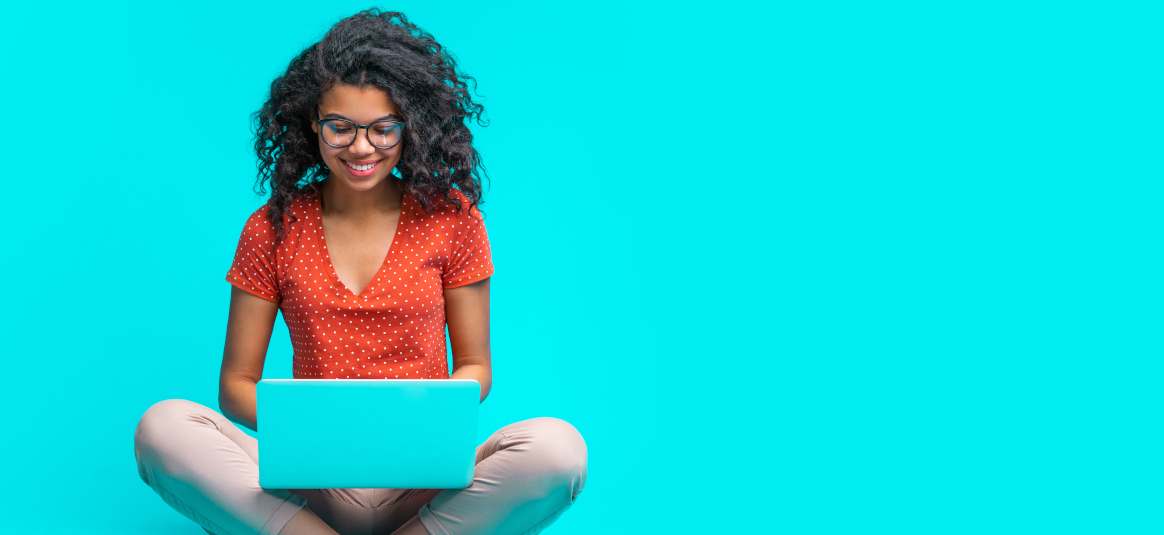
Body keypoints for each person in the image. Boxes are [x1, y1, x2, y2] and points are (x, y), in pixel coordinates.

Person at [132, 9, 587, 535]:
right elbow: (236, 385)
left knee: (558, 451)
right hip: (312, 484)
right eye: (341, 127)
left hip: (425, 484)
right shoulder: (272, 227)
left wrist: (410, 421)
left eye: (383, 128)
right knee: (162, 429)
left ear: (411, 125)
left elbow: (475, 367)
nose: (362, 147)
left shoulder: (453, 218)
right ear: (313, 122)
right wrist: (326, 426)